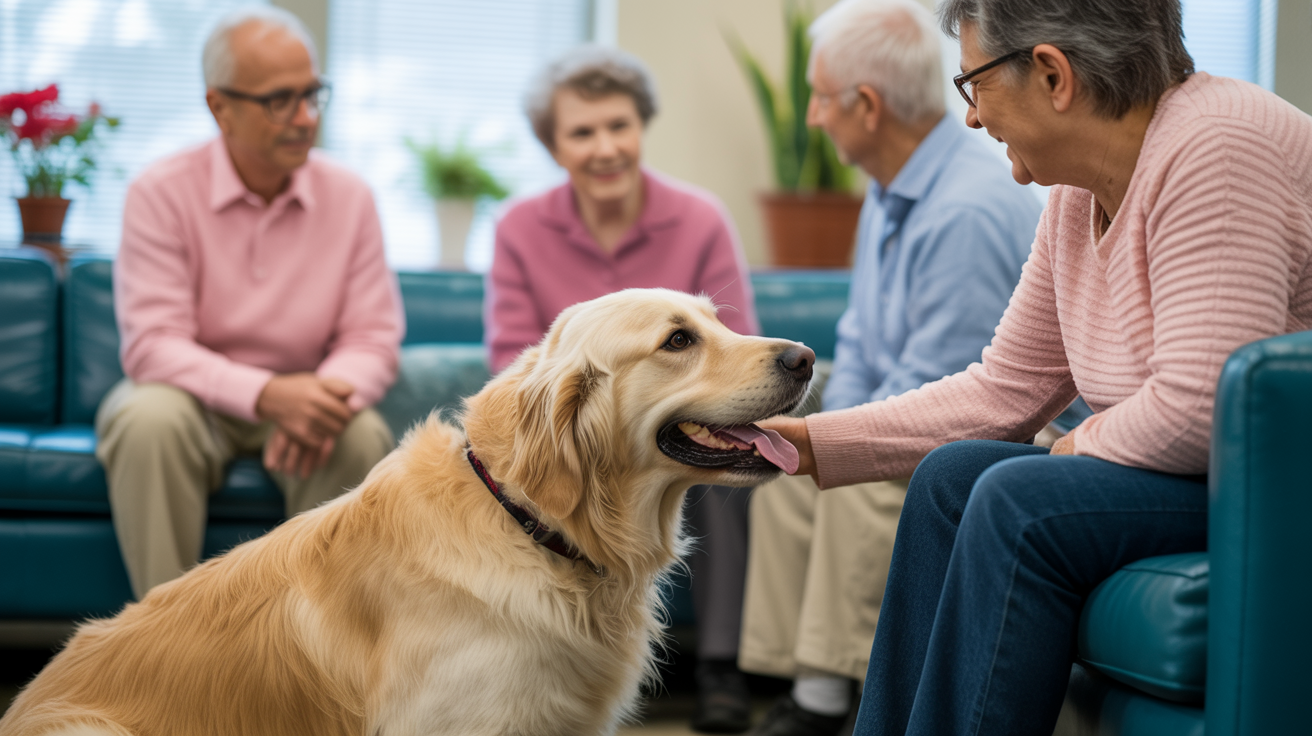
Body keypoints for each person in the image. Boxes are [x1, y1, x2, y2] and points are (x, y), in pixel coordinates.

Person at [761, 0, 1312, 734]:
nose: (970, 118)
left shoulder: (1218, 145)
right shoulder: (1076, 194)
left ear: (1053, 73)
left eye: (973, 86)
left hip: (1276, 490)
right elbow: (1004, 391)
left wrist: (1073, 445)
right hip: (1203, 481)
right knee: (949, 481)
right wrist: (809, 442)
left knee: (1017, 496)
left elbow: (1201, 406)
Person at [737, 2, 1041, 735]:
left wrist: (844, 440)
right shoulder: (887, 187)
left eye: (819, 96)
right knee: (785, 470)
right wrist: (823, 427)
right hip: (923, 400)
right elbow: (866, 344)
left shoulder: (964, 207)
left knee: (851, 479)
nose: (809, 116)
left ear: (866, 107)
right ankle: (814, 690)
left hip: (989, 424)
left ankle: (831, 702)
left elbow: (943, 383)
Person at [485, 45, 760, 733]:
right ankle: (533, 650)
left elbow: (739, 340)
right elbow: (512, 360)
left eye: (619, 126)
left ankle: (720, 663)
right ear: (554, 146)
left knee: (726, 451)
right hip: (577, 427)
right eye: (583, 132)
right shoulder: (520, 227)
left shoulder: (699, 217)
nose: (606, 147)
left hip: (683, 410)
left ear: (641, 127)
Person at [98, 6, 402, 601]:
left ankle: (318, 655)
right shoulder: (159, 193)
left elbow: (373, 337)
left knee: (359, 432)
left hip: (306, 390)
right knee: (146, 419)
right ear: (219, 107)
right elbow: (152, 345)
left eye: (312, 94)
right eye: (279, 100)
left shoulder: (351, 197)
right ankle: (167, 647)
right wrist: (267, 394)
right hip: (192, 401)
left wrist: (322, 397)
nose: (305, 118)